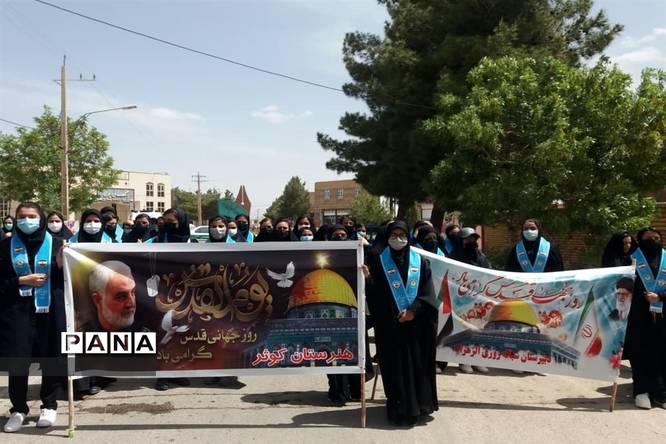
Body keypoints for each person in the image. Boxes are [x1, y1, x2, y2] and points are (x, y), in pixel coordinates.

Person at [364, 220, 438, 426]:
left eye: (402, 235)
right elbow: (375, 295)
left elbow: (428, 293)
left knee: (417, 366)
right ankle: (397, 408)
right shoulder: (379, 262)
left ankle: (418, 406)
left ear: (409, 237)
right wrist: (368, 280)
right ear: (387, 237)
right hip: (389, 326)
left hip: (416, 325)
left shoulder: (420, 262)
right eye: (394, 235)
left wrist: (413, 311)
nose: (399, 239)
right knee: (394, 368)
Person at [0, 202, 65, 433]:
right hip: (17, 312)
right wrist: (21, 280)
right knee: (18, 360)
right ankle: (18, 409)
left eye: (31, 216)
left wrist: (61, 266)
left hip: (50, 311)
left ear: (41, 219)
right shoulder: (5, 246)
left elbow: (70, 280)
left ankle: (49, 405)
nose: (26, 221)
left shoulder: (58, 245)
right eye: (22, 217)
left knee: (51, 357)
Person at [624, 227, 666, 409]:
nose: (653, 241)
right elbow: (620, 285)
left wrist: (660, 296)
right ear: (640, 240)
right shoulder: (630, 259)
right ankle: (641, 390)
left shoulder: (665, 258)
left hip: (663, 315)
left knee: (662, 353)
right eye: (648, 238)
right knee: (640, 352)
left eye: (656, 238)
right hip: (638, 315)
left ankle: (661, 392)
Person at [155, 208, 192, 391]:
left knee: (182, 335)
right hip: (163, 294)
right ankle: (162, 375)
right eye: (166, 221)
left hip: (186, 295)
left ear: (182, 223)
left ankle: (179, 372)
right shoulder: (157, 240)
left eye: (173, 223)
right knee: (163, 335)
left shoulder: (191, 242)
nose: (169, 225)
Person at [449, 227, 490, 374]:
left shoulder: (480, 256)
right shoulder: (454, 256)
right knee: (463, 330)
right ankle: (464, 360)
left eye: (473, 239)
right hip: (460, 300)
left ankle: (478, 360)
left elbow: (488, 274)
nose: (470, 242)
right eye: (467, 239)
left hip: (478, 299)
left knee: (479, 329)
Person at [82, 261, 137, 332]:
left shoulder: (146, 333)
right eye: (121, 296)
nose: (131, 304)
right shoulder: (78, 335)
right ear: (97, 300)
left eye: (133, 292)